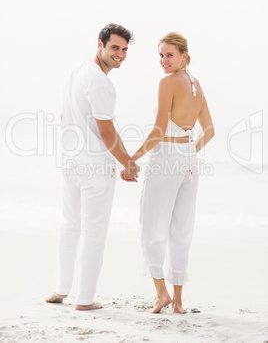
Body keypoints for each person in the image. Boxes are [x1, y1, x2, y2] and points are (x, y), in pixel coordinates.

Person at [46, 23, 139, 311]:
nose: (120, 54)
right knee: (94, 232)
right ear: (99, 44)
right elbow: (107, 133)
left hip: (70, 162)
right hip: (94, 167)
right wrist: (128, 163)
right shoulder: (100, 82)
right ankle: (85, 299)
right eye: (114, 47)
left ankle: (61, 289)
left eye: (124, 49)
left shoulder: (77, 72)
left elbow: (65, 115)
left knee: (70, 225)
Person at [121, 32, 214, 313]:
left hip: (166, 158)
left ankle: (162, 294)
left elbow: (158, 131)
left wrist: (130, 159)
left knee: (152, 227)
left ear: (184, 55)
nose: (163, 60)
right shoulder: (196, 84)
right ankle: (179, 302)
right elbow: (209, 131)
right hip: (188, 161)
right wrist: (187, 155)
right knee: (181, 231)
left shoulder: (167, 82)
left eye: (169, 55)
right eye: (160, 55)